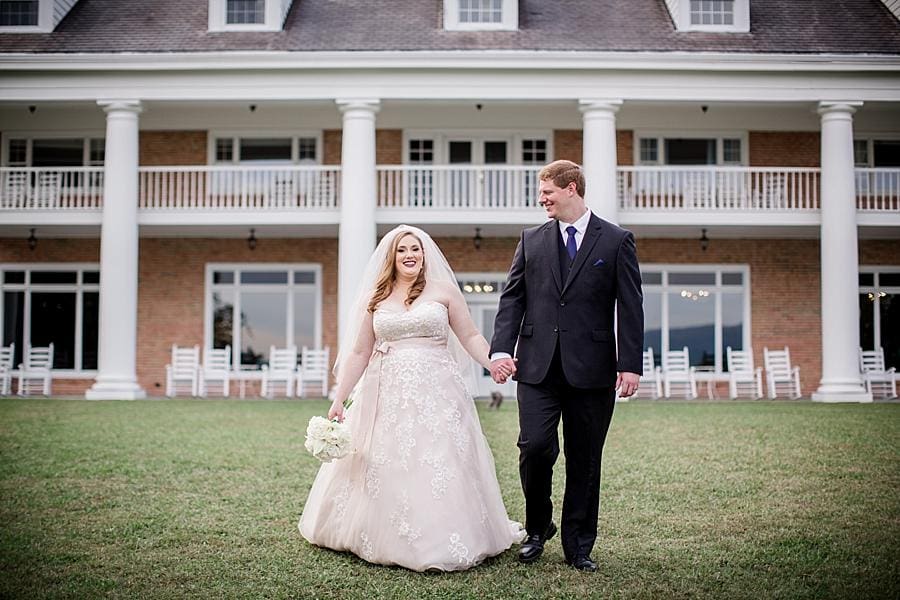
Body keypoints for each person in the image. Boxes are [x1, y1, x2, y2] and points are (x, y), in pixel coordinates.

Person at [299, 225, 523, 572]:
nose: (410, 256)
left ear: (424, 255)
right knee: (384, 459)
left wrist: (492, 361)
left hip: (438, 392)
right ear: (392, 257)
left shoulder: (444, 291)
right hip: (385, 391)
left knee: (437, 460)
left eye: (415, 250)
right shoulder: (377, 297)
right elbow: (360, 351)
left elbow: (470, 335)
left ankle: (443, 535)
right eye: (402, 250)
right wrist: (339, 398)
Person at [489, 160, 644, 572]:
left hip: (592, 369)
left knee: (585, 458)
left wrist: (630, 364)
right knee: (534, 448)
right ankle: (538, 527)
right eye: (541, 194)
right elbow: (513, 298)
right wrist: (501, 349)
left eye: (548, 193)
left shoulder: (615, 240)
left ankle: (579, 546)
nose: (542, 200)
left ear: (571, 188)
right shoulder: (531, 240)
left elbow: (631, 306)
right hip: (537, 367)